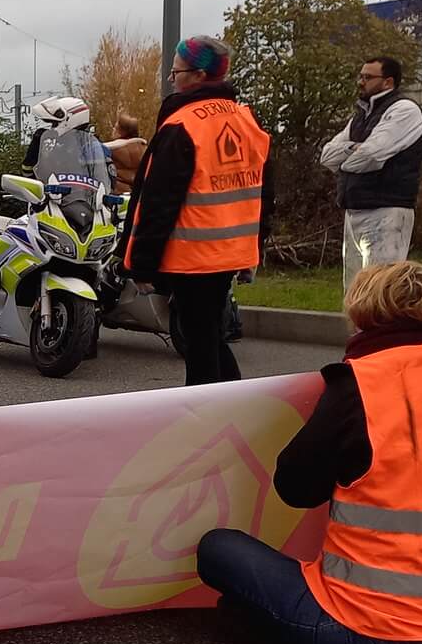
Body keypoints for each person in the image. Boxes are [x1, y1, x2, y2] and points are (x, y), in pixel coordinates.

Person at [195, 262, 422, 644]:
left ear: (367, 314)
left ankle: (270, 626)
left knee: (218, 550)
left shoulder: (365, 382)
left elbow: (295, 487)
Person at [118, 36, 273, 386]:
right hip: (231, 252)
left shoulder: (182, 126)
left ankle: (208, 419)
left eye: (175, 72)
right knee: (209, 337)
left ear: (198, 76)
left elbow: (157, 202)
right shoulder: (247, 121)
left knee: (200, 345)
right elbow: (264, 193)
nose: (172, 80)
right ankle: (234, 406)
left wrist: (140, 264)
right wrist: (254, 249)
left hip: (193, 256)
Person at [320, 55, 422, 286]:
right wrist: (354, 149)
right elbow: (327, 156)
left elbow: (371, 156)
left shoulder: (404, 111)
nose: (361, 81)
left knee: (379, 290)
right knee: (354, 292)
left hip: (387, 210)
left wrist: (346, 158)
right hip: (355, 209)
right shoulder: (362, 116)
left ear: (388, 82)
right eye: (361, 76)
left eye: (367, 77)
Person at [23, 95, 113, 193]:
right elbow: (28, 174)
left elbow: (108, 184)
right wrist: (35, 149)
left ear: (69, 119)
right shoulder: (54, 148)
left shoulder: (93, 148)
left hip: (86, 204)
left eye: (55, 123)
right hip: (54, 201)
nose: (53, 128)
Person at [104, 114, 147, 196]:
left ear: (121, 133)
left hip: (116, 193)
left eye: (115, 128)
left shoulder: (110, 149)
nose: (113, 129)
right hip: (138, 194)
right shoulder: (145, 149)